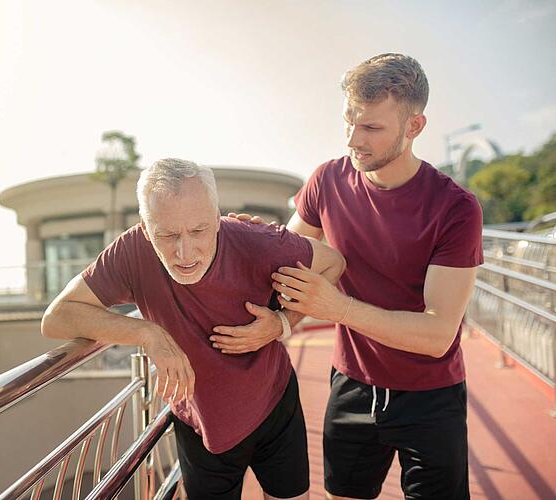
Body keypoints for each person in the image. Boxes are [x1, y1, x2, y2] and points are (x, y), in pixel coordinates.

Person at [212, 54, 483, 500]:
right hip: (352, 383)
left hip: (431, 396)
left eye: (372, 128)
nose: (354, 140)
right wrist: (245, 237)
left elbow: (437, 334)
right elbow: (287, 258)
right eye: (348, 123)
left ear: (414, 126)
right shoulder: (327, 180)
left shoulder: (455, 208)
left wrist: (336, 307)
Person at [41, 158, 346, 500]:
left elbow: (334, 263)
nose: (184, 253)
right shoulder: (132, 251)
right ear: (146, 227)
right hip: (199, 421)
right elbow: (57, 317)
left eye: (198, 231)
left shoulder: (259, 242)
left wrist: (282, 324)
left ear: (217, 219)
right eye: (167, 235)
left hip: (274, 404)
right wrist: (147, 333)